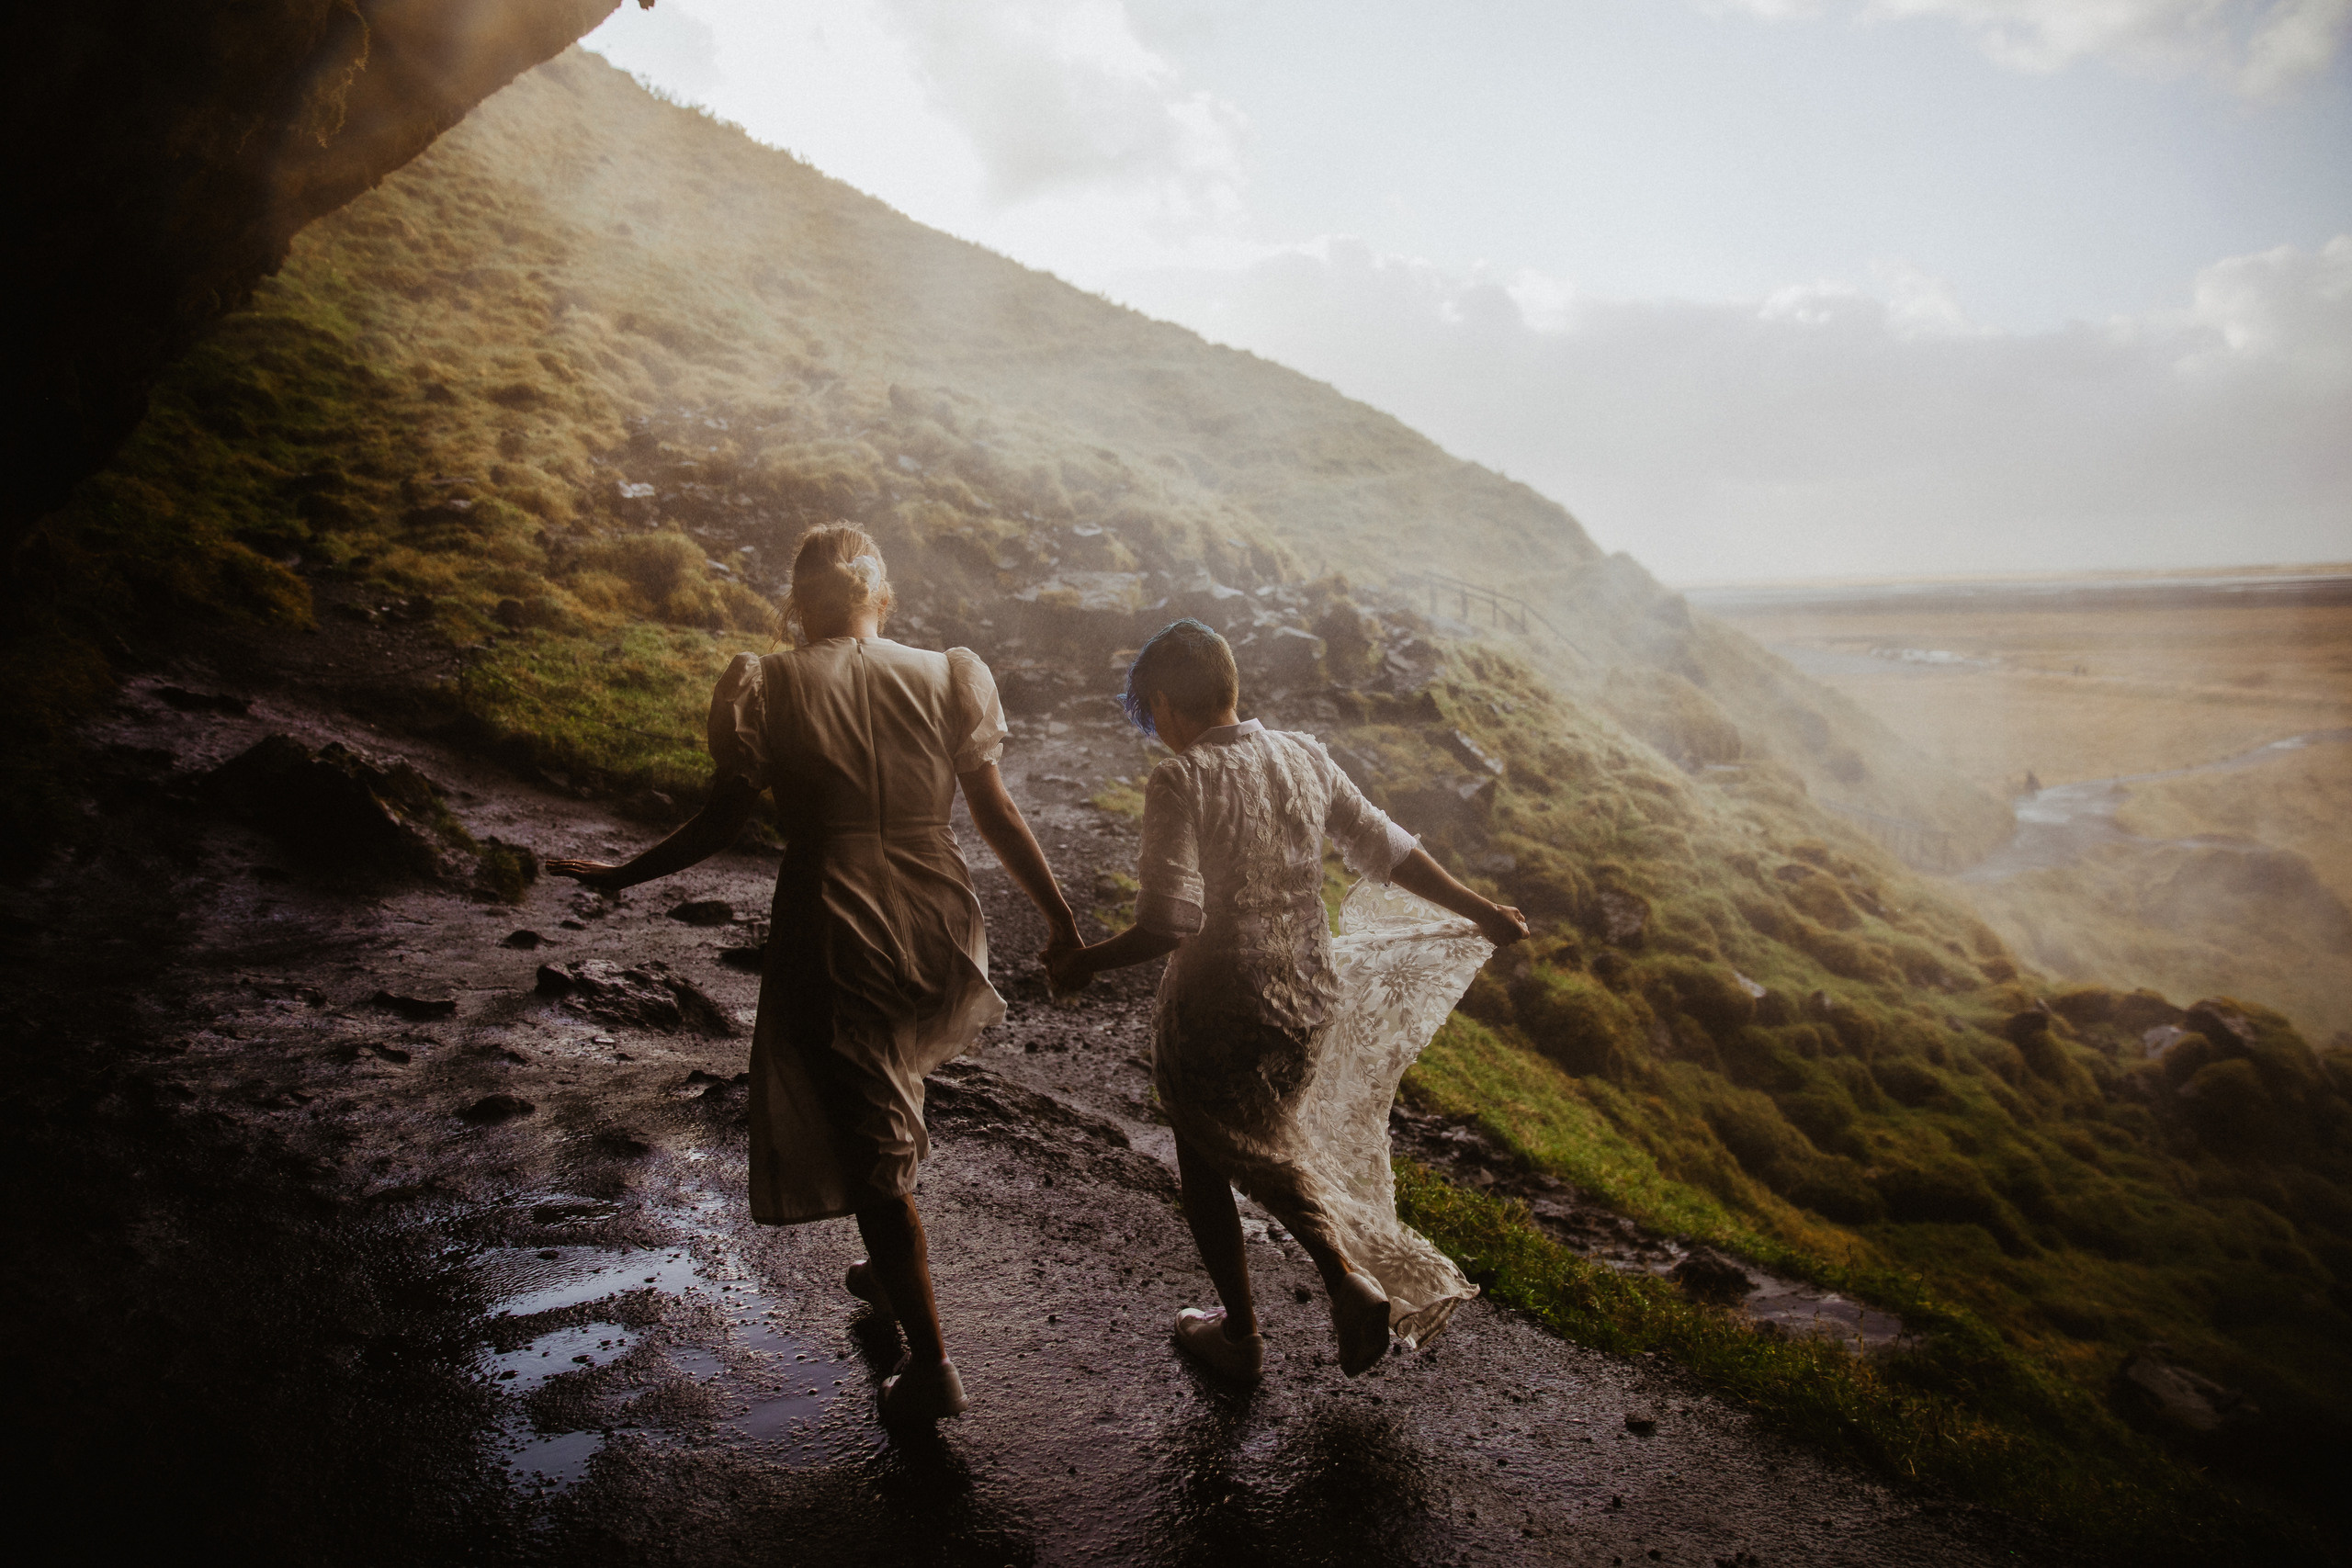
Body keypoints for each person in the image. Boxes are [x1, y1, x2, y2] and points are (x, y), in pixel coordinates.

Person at [548, 523, 1079, 1424]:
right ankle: (886, 1267)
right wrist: (1061, 918)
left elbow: (723, 821)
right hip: (934, 903)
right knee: (888, 1074)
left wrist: (620, 875)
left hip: (837, 910)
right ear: (883, 598)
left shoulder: (771, 681)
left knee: (868, 1136)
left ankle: (934, 1366)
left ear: (798, 603)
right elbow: (993, 811)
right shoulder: (949, 671)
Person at [1047, 619, 1529, 1381]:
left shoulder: (1182, 778)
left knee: (1209, 1160)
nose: (1157, 732)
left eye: (1151, 713)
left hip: (1218, 1007)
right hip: (1306, 1001)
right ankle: (1345, 1283)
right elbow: (1388, 846)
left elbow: (1171, 918)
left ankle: (1242, 1332)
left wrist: (1084, 962)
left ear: (1168, 702)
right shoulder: (1303, 754)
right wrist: (1481, 911)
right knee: (1271, 1146)